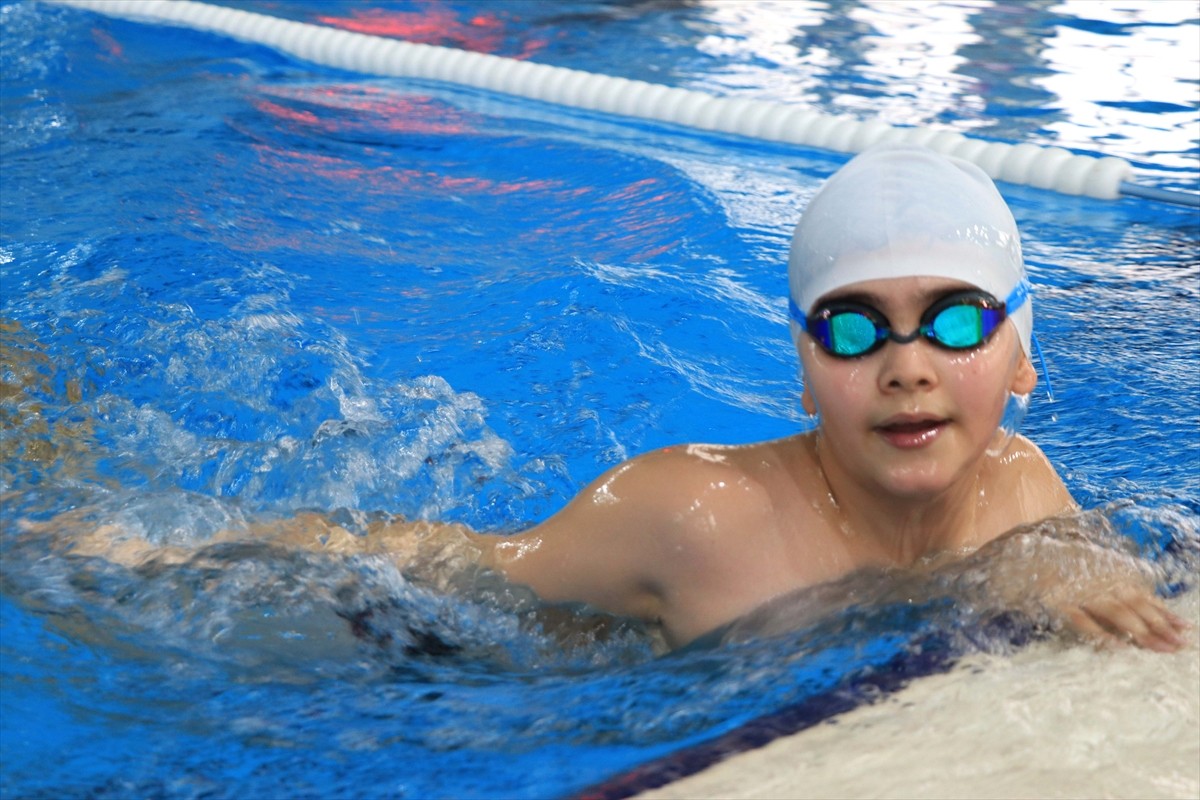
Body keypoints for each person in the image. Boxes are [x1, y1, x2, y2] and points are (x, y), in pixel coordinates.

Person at [29, 144, 1188, 653]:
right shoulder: (696, 512)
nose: (908, 363)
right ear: (801, 367)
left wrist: (1055, 562)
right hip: (488, 666)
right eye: (852, 324)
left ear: (1021, 358)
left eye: (954, 317)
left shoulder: (1021, 488)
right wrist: (154, 551)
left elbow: (1081, 570)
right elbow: (450, 562)